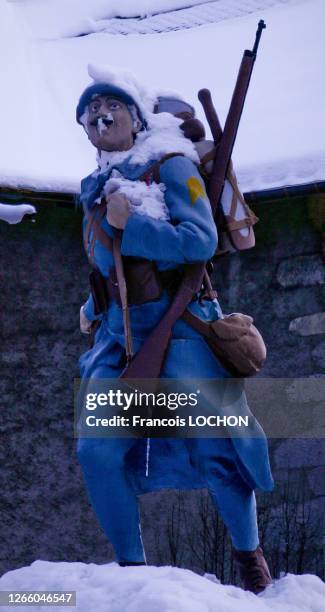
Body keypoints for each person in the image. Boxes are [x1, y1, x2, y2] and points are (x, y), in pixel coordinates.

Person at [75, 68, 273, 594]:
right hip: (118, 337)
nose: (100, 115)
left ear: (135, 118)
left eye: (110, 105)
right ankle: (133, 572)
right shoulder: (97, 183)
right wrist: (93, 305)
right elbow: (109, 262)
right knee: (97, 450)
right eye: (90, 112)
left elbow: (198, 241)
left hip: (178, 324)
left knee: (217, 447)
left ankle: (250, 558)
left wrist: (130, 225)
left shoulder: (171, 165)